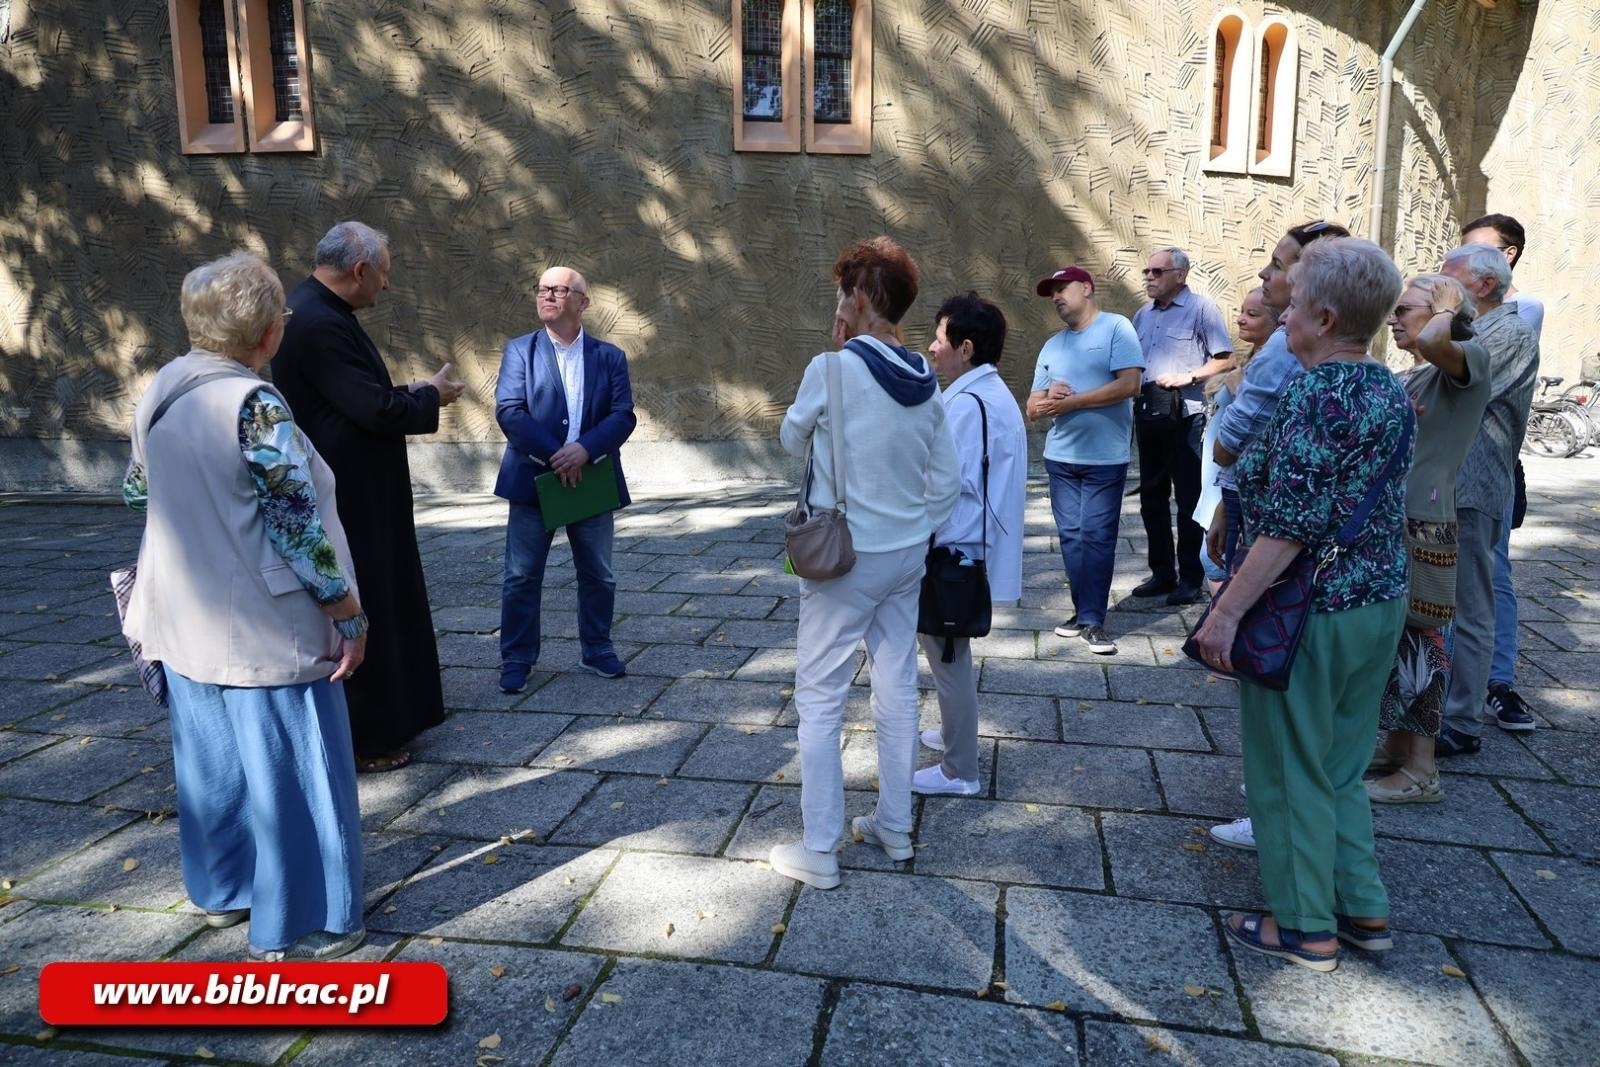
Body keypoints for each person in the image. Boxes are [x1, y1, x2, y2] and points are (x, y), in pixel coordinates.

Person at [121, 251, 367, 961]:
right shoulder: (255, 403)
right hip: (263, 622)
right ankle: (304, 917)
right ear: (265, 333)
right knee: (294, 766)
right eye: (281, 316)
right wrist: (347, 611)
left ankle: (227, 889)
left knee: (212, 765)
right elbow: (297, 528)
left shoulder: (162, 386)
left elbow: (136, 490)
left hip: (180, 612)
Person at [1191, 237, 1412, 972]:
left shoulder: (1320, 392)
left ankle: (1305, 927)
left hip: (1310, 608)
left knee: (1287, 768)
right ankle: (1363, 906)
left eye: (1291, 296)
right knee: (1339, 767)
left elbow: (1292, 523)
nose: (1279, 305)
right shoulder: (1387, 386)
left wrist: (1224, 613)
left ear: (1322, 315)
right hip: (1376, 600)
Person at [769, 237, 960, 889]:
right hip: (906, 555)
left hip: (843, 557)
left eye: (841, 295)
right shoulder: (924, 379)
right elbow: (948, 480)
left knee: (820, 697)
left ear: (854, 298)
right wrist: (914, 525)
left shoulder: (832, 369)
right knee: (897, 685)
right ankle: (896, 826)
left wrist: (834, 348)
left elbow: (791, 438)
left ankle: (820, 848)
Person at [272, 221, 460, 773]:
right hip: (350, 492)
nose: (387, 286)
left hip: (363, 484)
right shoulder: (316, 320)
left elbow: (361, 398)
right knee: (369, 596)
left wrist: (419, 392)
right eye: (385, 273)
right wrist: (428, 397)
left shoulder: (321, 312)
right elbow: (372, 410)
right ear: (360, 270)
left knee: (388, 592)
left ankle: (394, 717)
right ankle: (367, 734)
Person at [1366, 275, 1492, 804]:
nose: (1394, 319)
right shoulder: (1414, 377)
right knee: (1402, 639)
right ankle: (1397, 747)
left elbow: (1435, 342)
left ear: (1442, 312)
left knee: (1423, 639)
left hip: (1425, 521)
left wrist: (1446, 305)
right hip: (1399, 519)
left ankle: (1422, 769)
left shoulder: (1468, 361)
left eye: (1406, 309)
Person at [494, 267, 637, 693]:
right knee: (521, 574)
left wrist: (585, 449)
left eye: (559, 290)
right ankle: (517, 658)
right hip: (534, 479)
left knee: (598, 573)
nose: (548, 296)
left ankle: (597, 648)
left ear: (583, 302)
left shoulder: (609, 356)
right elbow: (510, 411)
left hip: (590, 478)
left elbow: (622, 414)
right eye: (542, 289)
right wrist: (558, 455)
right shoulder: (520, 351)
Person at [912, 293, 1028, 796]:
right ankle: (952, 733)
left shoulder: (967, 404)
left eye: (939, 339)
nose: (932, 348)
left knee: (948, 655)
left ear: (965, 347)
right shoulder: (985, 395)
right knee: (946, 652)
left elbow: (944, 486)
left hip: (954, 550)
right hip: (965, 546)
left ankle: (960, 771)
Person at [1435, 243, 1540, 754]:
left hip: (1474, 486)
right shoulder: (1472, 331)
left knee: (1472, 607)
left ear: (1482, 284)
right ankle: (1434, 710)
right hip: (1446, 486)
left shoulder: (1511, 332)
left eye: (1448, 276)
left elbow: (1447, 385)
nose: (1440, 284)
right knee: (1439, 604)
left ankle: (1462, 721)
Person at [1027, 266, 1144, 656]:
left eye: (1063, 288)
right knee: (1072, 537)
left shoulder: (1116, 328)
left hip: (1104, 460)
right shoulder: (1051, 346)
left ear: (1087, 288)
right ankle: (1084, 612)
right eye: (1052, 291)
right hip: (1060, 458)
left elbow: (1131, 385)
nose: (1057, 296)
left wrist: (1070, 401)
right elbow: (1032, 408)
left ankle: (1094, 620)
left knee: (1096, 536)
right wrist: (1048, 398)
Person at [1460, 214, 1544, 732]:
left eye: (1470, 251)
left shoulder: (1520, 314)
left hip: (1486, 462)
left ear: (1503, 258)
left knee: (1491, 577)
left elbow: (1466, 380)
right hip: (1455, 464)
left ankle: (1496, 683)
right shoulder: (1477, 317)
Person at [1130, 247, 1234, 605]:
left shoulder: (1202, 309)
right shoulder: (1141, 315)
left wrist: (1187, 375)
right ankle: (1161, 573)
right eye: (1148, 271)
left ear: (1180, 275)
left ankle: (1191, 577)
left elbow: (1226, 359)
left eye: (1158, 271)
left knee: (1189, 498)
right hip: (1149, 415)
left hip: (1186, 416)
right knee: (1150, 498)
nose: (1149, 277)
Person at [1195, 286, 1277, 592]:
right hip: (1216, 479)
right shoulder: (1253, 360)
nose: (1241, 320)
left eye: (1252, 314)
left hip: (1232, 478)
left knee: (1214, 561)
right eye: (1241, 312)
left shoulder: (1270, 370)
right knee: (1212, 558)